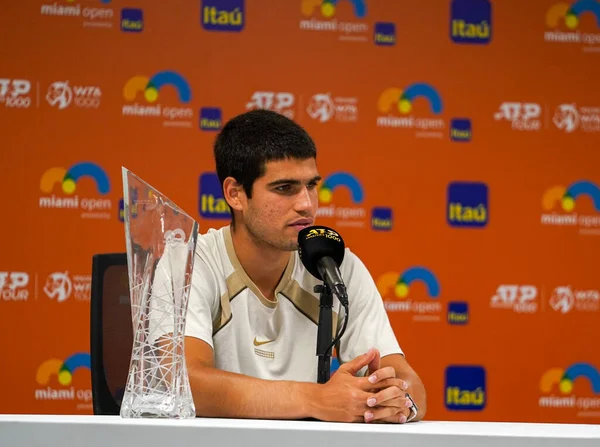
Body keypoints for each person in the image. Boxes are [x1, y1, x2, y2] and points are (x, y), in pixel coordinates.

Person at [183, 109, 427, 423]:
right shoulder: (192, 260)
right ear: (235, 194)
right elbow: (186, 383)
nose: (307, 204)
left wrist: (398, 401)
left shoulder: (336, 265)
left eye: (311, 186)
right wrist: (314, 400)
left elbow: (412, 386)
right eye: (285, 188)